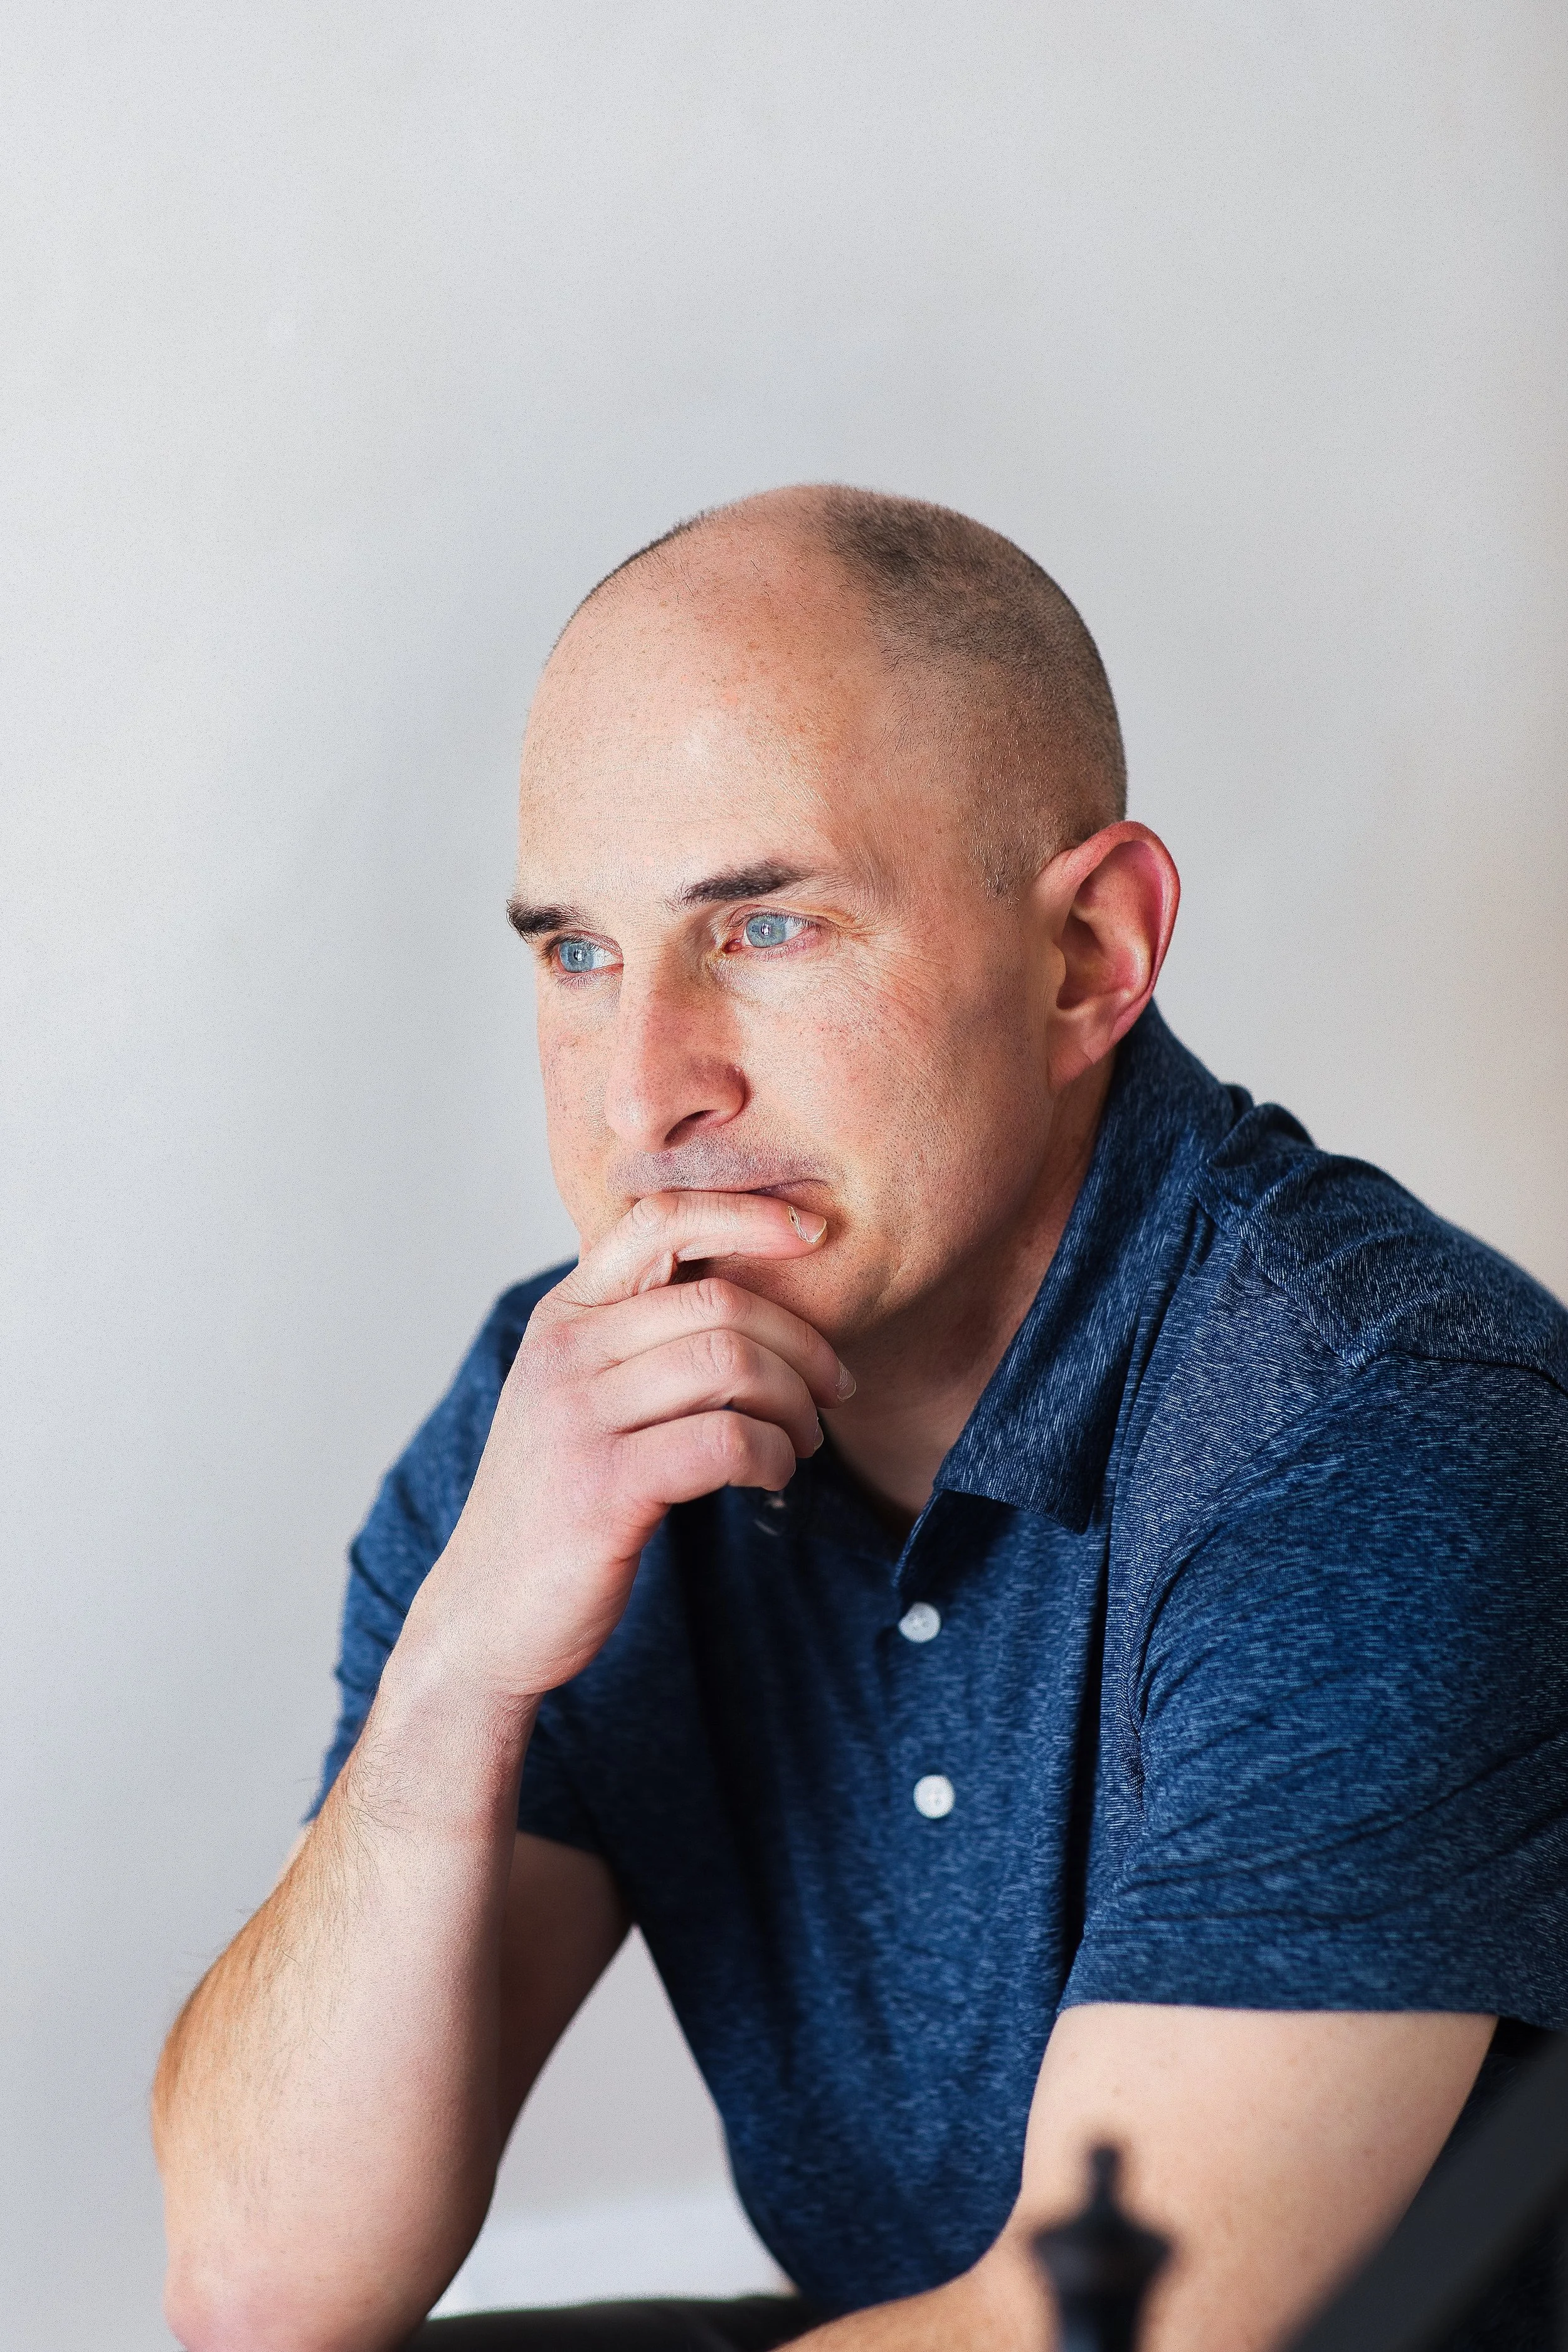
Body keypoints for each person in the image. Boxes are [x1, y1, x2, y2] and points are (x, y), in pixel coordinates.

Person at [152, 487, 1568, 2352]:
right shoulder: (577, 1412)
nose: (649, 1088)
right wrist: (463, 1672)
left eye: (767, 927)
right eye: (575, 951)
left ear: (1087, 956)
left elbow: (1093, 2333)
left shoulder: (1393, 1428)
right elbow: (261, 2293)